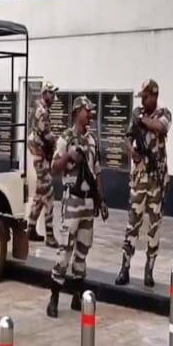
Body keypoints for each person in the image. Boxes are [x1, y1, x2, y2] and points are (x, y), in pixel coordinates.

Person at [47, 96, 108, 318]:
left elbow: (97, 170)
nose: (90, 114)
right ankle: (53, 298)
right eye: (87, 110)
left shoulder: (92, 140)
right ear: (77, 112)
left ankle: (76, 296)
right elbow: (54, 168)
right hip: (71, 202)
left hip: (88, 203)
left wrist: (101, 200)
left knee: (82, 253)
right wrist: (68, 157)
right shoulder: (65, 138)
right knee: (64, 254)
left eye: (91, 111)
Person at [115, 79, 172, 287]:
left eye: (146, 97)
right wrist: (133, 153)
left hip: (156, 180)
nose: (143, 100)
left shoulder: (164, 113)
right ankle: (125, 268)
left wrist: (142, 121)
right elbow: (125, 140)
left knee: (154, 226)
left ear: (154, 96)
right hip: (139, 179)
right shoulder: (136, 115)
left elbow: (160, 127)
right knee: (132, 224)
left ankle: (149, 270)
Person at [27, 81, 60, 247]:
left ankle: (30, 228)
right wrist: (58, 142)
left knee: (40, 196)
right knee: (49, 196)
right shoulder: (41, 111)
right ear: (45, 93)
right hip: (41, 159)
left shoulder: (43, 110)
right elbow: (46, 135)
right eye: (51, 93)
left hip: (42, 157)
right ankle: (49, 235)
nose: (53, 96)